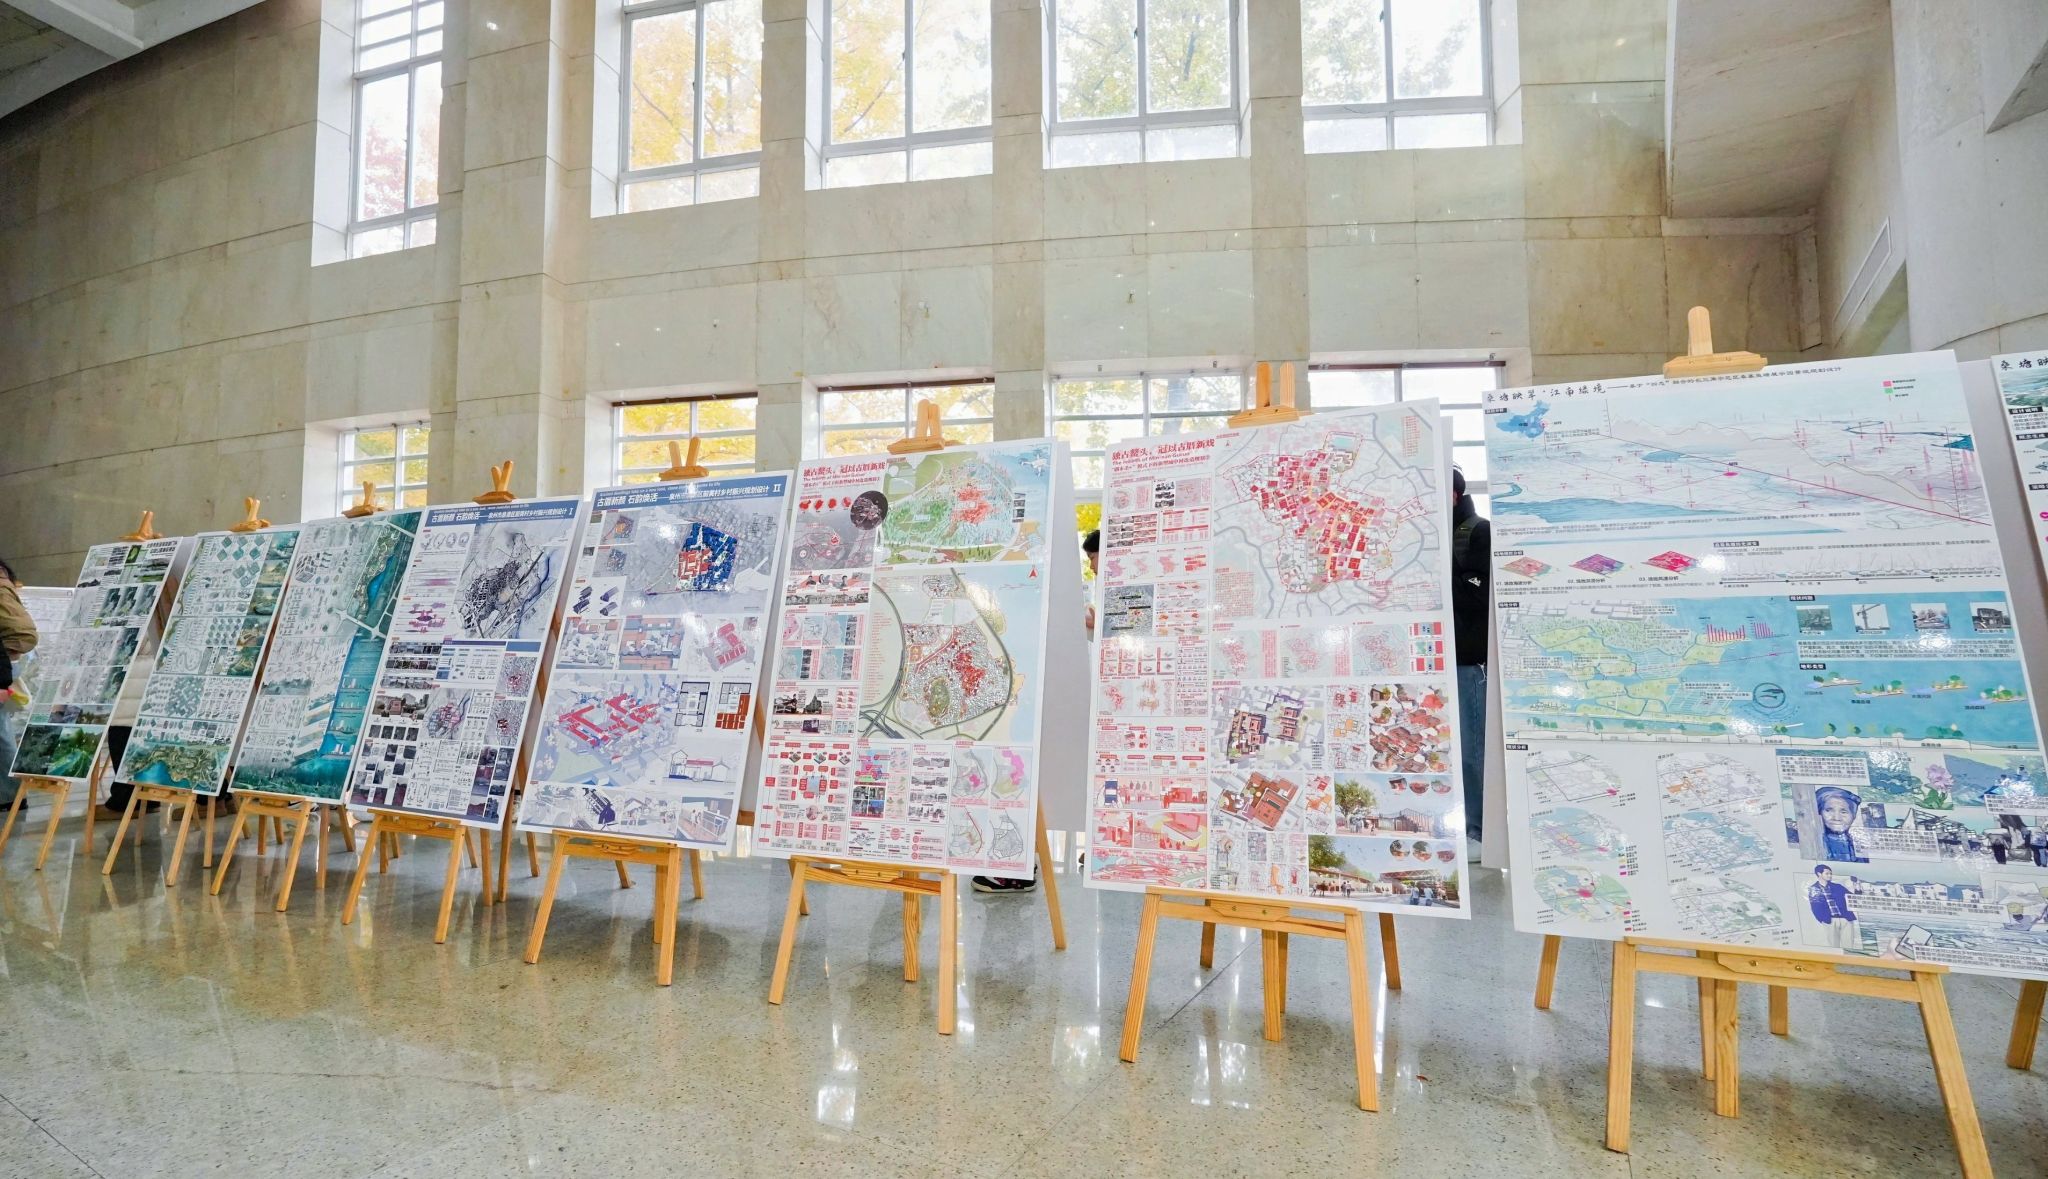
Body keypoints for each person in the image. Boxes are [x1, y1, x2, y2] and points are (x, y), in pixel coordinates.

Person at [976, 530, 1100, 896]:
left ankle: (1016, 865)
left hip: (1058, 705)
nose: (1092, 567)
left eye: (1094, 559)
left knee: (1029, 777)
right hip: (1054, 701)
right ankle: (1016, 862)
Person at [1449, 468, 1489, 857]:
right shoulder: (1429, 535)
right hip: (1434, 660)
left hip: (1467, 661)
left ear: (1455, 494)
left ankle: (1478, 830)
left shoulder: (1477, 532)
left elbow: (1479, 597)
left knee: (1471, 751)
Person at [0, 558, 39, 813]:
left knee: (0, 730)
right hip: (7, 661)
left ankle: (10, 795)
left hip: (3, 662)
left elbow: (21, 634)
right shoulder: (4, 583)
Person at [1807, 864, 1859, 952]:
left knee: (1849, 947)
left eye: (1830, 873)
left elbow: (1852, 898)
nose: (1830, 875)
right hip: (1829, 920)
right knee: (1834, 948)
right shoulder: (1813, 889)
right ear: (1819, 874)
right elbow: (1815, 907)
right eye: (1827, 873)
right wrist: (1823, 919)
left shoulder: (1838, 887)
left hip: (1846, 919)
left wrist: (1857, 888)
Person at [1814, 786, 1866, 863]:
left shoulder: (1860, 845)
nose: (1837, 818)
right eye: (1829, 810)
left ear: (1853, 815)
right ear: (1819, 812)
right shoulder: (1814, 843)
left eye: (1843, 812)